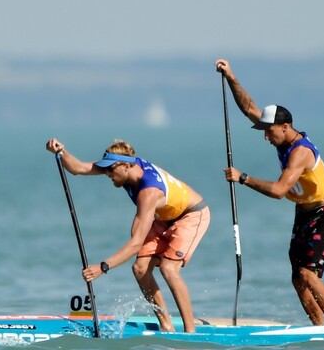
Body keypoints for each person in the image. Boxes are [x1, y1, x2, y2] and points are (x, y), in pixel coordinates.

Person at [215, 59, 324, 325]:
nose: (265, 137)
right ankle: (318, 328)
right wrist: (231, 77)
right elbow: (249, 108)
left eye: (269, 131)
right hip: (303, 215)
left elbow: (280, 191)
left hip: (323, 215)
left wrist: (243, 178)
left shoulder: (300, 153)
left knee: (308, 275)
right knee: (297, 279)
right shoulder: (282, 138)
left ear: (285, 127)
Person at [45, 138, 210, 332]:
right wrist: (62, 152)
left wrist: (103, 267)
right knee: (140, 268)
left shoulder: (148, 193)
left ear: (125, 165)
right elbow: (79, 168)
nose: (107, 174)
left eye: (110, 170)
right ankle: (166, 325)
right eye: (105, 169)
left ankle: (190, 332)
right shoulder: (123, 165)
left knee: (168, 269)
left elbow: (135, 243)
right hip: (164, 218)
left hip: (191, 215)